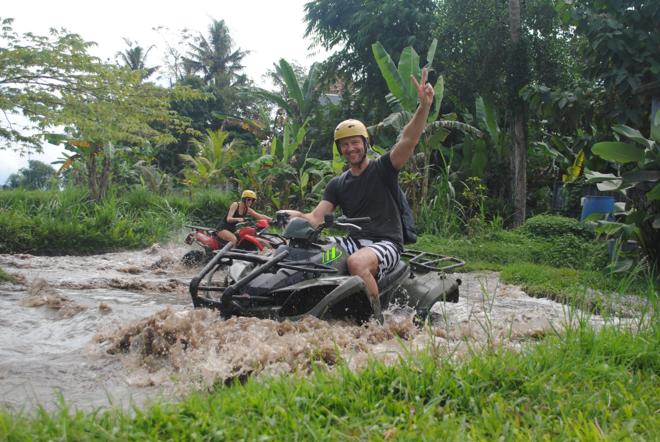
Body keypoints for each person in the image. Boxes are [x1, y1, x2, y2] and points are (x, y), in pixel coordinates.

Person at [280, 68, 435, 321]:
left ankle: (376, 321)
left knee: (357, 264)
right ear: (340, 149)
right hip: (352, 243)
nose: (350, 148)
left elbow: (408, 139)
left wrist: (424, 107)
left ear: (365, 143)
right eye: (345, 144)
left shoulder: (384, 168)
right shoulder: (337, 184)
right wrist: (293, 215)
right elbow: (317, 218)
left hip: (385, 244)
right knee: (315, 254)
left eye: (355, 142)